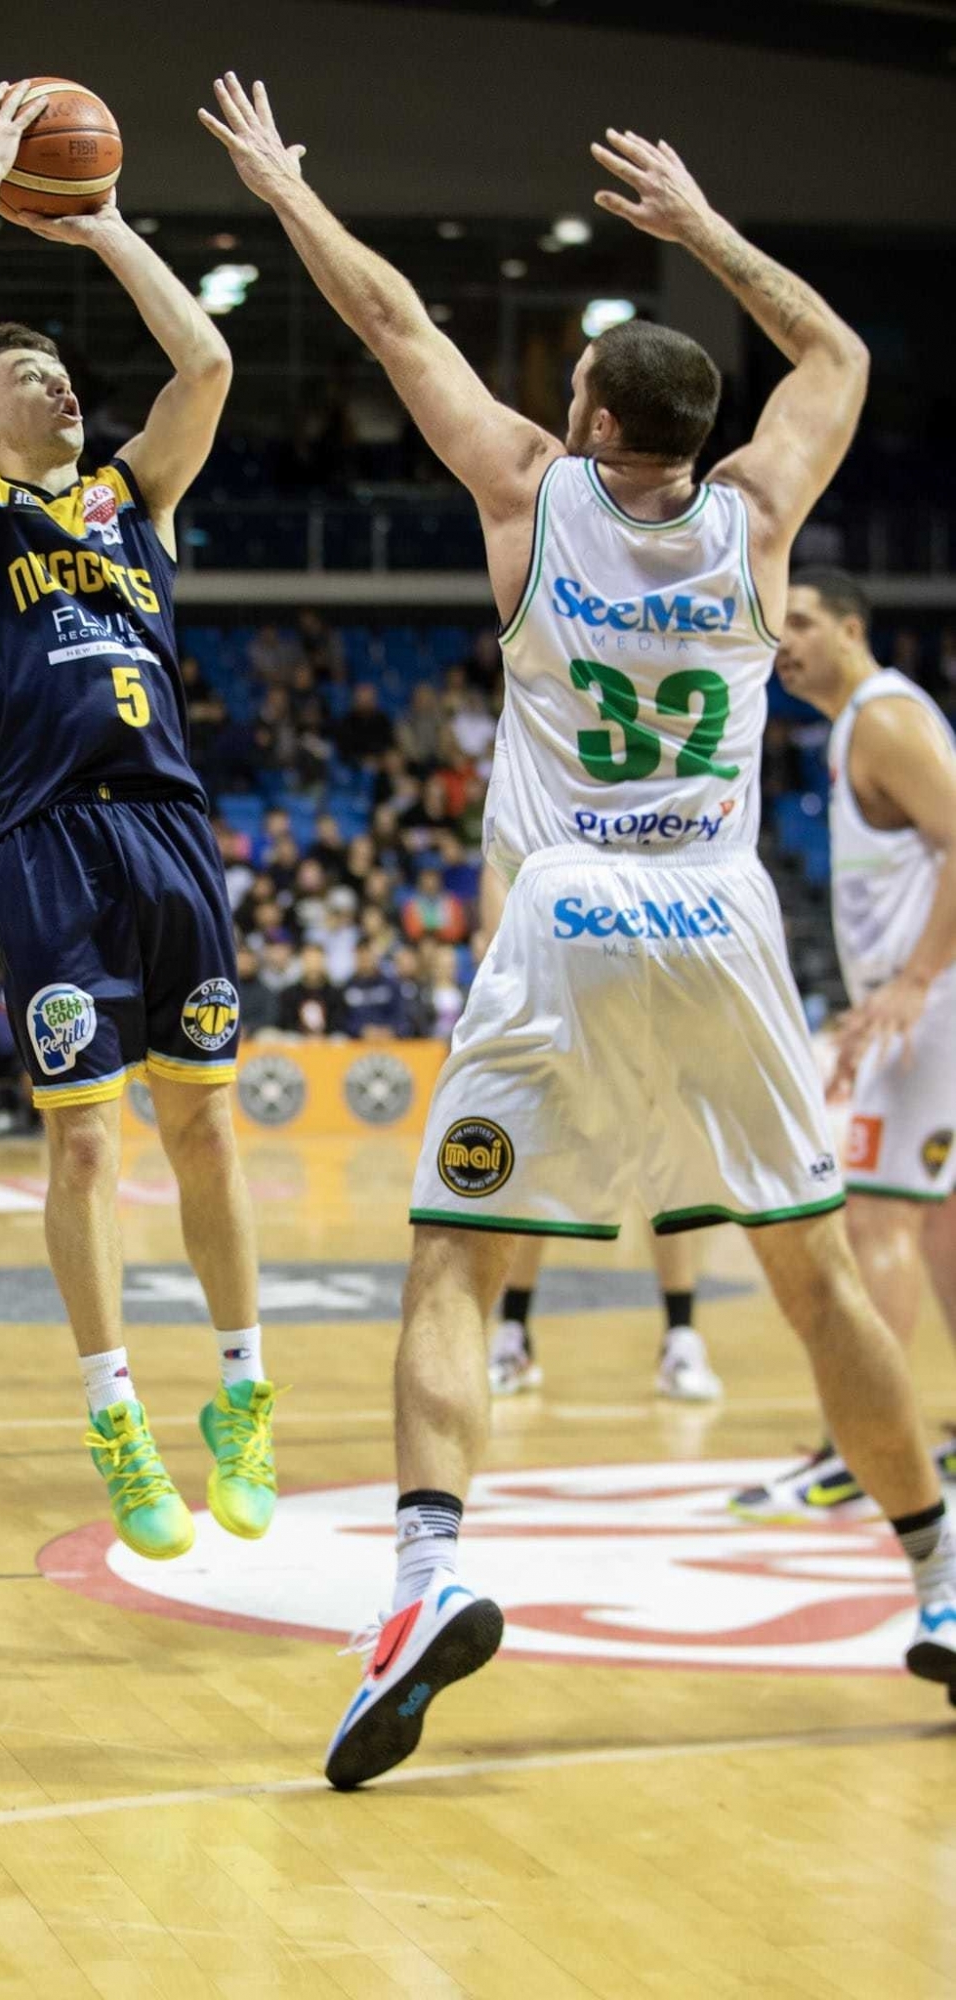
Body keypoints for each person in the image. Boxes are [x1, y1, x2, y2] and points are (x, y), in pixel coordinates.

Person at [203, 77, 956, 1786]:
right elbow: (832, 356)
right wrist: (703, 231)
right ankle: (939, 1576)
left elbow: (389, 321)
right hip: (723, 918)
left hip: (564, 919)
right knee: (816, 1268)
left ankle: (422, 1580)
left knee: (456, 1260)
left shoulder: (532, 499)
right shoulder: (757, 525)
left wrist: (282, 190)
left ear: (591, 410)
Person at [0, 81, 277, 1562]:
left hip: (171, 835)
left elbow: (205, 359)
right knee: (81, 1148)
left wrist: (111, 224)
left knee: (207, 1126)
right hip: (50, 844)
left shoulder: (137, 501)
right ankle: (118, 1419)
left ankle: (242, 1400)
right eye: (29, 378)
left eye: (62, 375)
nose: (54, 386)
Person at [734, 571, 956, 1518]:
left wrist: (908, 983)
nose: (782, 640)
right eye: (774, 626)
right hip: (917, 1004)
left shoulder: (883, 719)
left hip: (935, 1004)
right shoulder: (855, 726)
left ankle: (866, 1454)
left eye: (802, 621)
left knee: (875, 1220)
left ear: (852, 627)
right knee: (939, 1227)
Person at [476, 862, 722, 1401]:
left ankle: (680, 1337)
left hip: (645, 991)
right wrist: (510, 970)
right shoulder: (539, 795)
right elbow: (497, 866)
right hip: (557, 1000)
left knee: (667, 1168)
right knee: (535, 1168)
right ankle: (514, 1335)